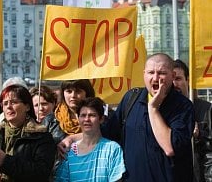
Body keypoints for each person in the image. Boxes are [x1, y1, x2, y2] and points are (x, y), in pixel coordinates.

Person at [105, 53, 195, 182]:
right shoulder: (131, 99)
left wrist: (153, 109)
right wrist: (73, 138)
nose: (156, 78)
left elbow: (170, 148)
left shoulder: (183, 106)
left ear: (172, 76)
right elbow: (108, 133)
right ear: (144, 74)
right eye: (151, 72)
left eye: (162, 73)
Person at [0, 84, 56, 182]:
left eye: (14, 102)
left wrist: (6, 161)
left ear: (27, 106)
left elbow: (41, 173)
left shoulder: (41, 136)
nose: (9, 107)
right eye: (5, 103)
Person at [55, 97, 125, 182]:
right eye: (83, 115)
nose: (87, 119)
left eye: (92, 115)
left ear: (101, 119)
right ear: (78, 118)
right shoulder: (69, 151)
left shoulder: (112, 149)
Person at [173, 59, 212, 182]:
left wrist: (199, 135)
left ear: (187, 80)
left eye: (178, 79)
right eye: (171, 80)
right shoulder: (160, 112)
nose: (174, 84)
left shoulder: (205, 109)